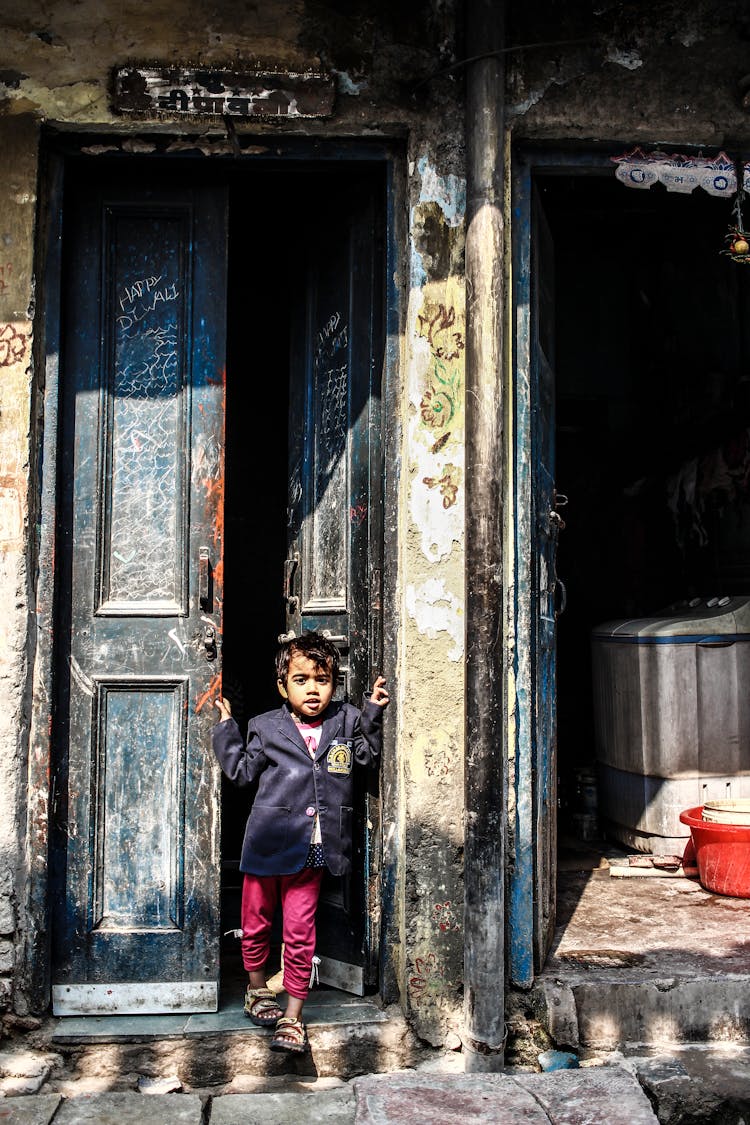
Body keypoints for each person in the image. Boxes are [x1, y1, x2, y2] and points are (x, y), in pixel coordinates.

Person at [212, 631, 389, 1053]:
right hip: (267, 845)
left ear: (334, 683)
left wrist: (372, 713)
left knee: (299, 930)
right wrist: (226, 730)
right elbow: (241, 773)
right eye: (301, 679)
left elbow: (365, 757)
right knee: (255, 922)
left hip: (316, 850)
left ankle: (293, 1015)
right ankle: (256, 987)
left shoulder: (344, 720)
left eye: (322, 679)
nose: (313, 688)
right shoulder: (264, 726)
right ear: (282, 685)